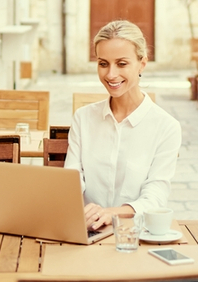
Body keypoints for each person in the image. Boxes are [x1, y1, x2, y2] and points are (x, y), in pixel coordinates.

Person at [64, 20, 182, 231]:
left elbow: (156, 195)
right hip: (86, 232)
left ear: (142, 64)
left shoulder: (166, 127)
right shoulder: (83, 118)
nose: (110, 74)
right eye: (103, 64)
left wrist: (111, 213)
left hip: (136, 234)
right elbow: (71, 181)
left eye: (121, 63)